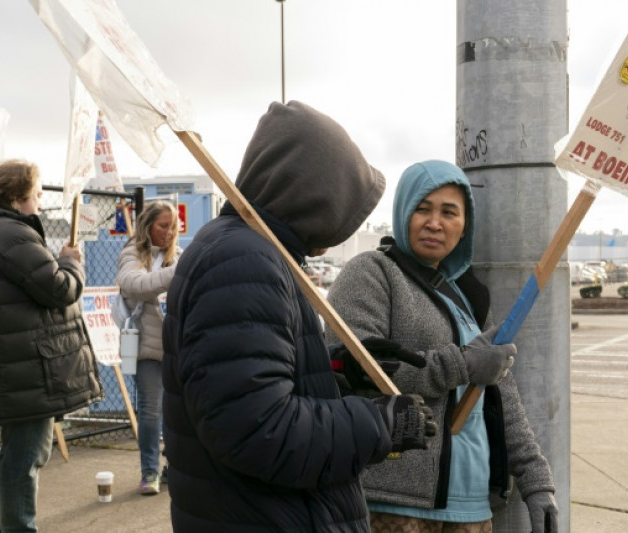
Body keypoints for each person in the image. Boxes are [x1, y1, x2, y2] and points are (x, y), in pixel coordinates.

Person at [161, 100, 436, 532]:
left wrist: (337, 371)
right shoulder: (243, 259)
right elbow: (256, 429)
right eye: (342, 208)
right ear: (313, 198)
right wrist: (379, 422)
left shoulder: (248, 251)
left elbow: (252, 382)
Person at [326, 160, 559, 533]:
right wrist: (464, 364)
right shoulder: (371, 273)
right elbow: (355, 370)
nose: (435, 223)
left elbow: (502, 395)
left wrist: (536, 481)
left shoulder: (469, 296)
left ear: (464, 225)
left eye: (449, 212)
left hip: (471, 508)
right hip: (392, 503)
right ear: (403, 211)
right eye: (423, 208)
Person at [0, 159, 102, 533]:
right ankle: (14, 526)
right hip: (23, 364)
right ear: (16, 198)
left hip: (8, 362)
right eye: (36, 194)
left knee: (20, 449)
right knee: (27, 454)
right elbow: (59, 289)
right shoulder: (9, 234)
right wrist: (71, 263)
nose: (41, 203)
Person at [116, 200, 182, 495]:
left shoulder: (178, 256)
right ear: (147, 226)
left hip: (177, 347)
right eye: (162, 226)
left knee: (179, 413)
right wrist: (177, 274)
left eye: (173, 227)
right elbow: (133, 285)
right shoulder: (132, 253)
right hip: (146, 348)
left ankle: (175, 467)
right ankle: (149, 473)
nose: (169, 233)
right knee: (150, 412)